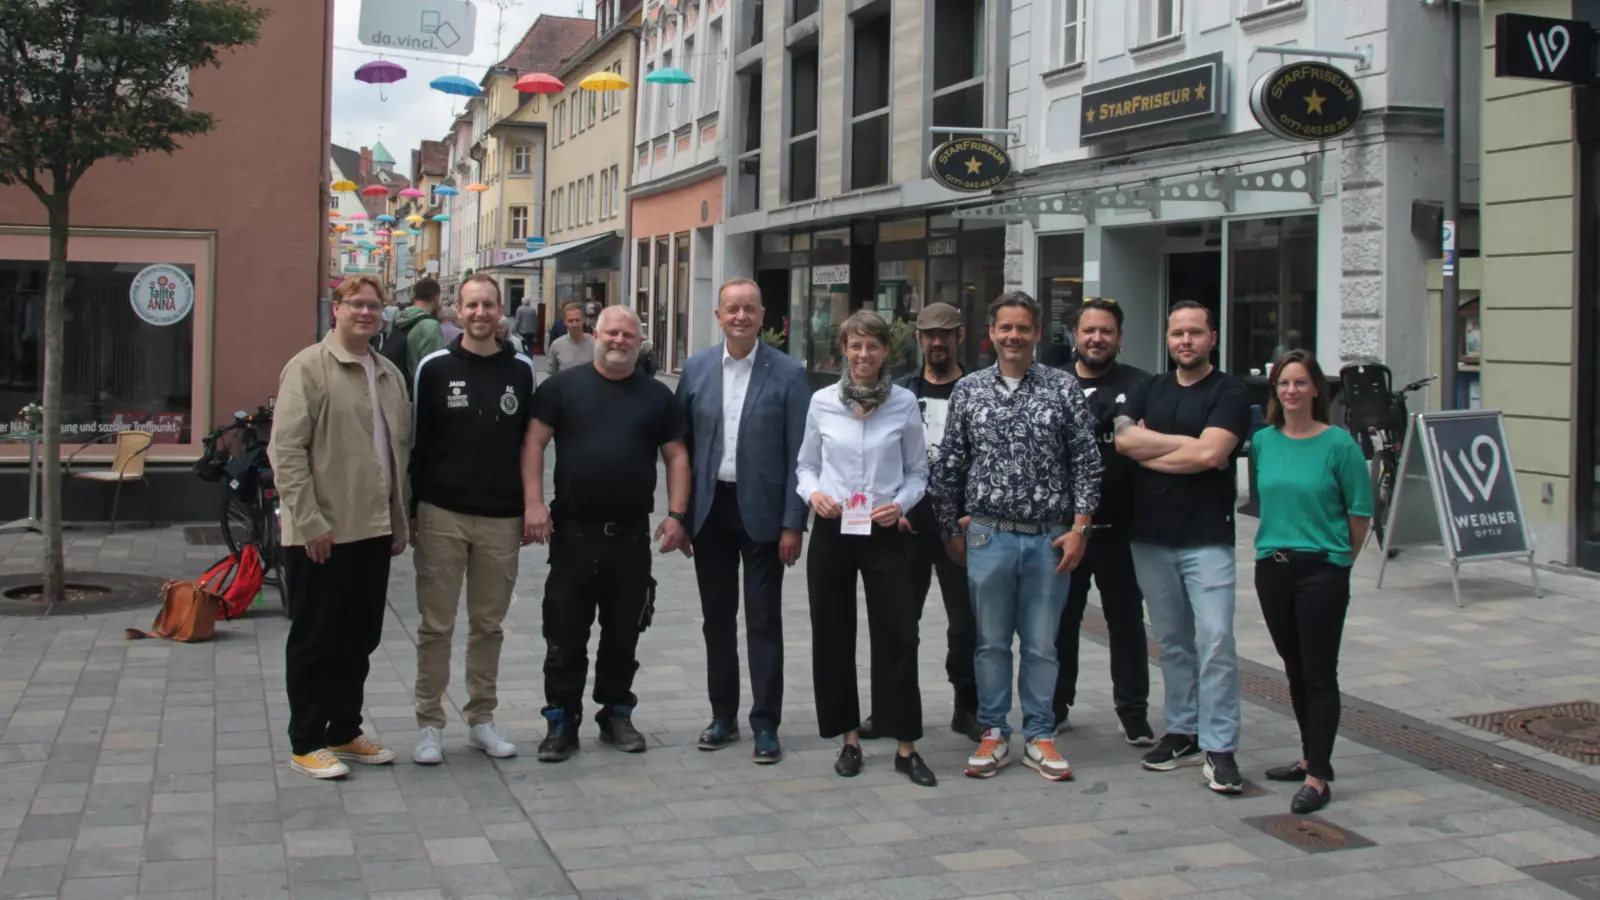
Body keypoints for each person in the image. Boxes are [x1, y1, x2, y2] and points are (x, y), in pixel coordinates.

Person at [932, 291, 1100, 782]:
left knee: (1043, 643)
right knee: (989, 643)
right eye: (1005, 327)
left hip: (1050, 540)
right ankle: (993, 733)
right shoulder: (970, 390)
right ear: (992, 332)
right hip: (989, 537)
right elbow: (950, 464)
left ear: (1036, 332)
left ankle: (1041, 734)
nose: (1013, 336)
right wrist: (949, 528)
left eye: (1023, 328)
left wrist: (1080, 529)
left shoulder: (1062, 388)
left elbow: (1087, 463)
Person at [525, 306, 691, 762]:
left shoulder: (657, 397)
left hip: (630, 538)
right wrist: (533, 503)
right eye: (611, 333)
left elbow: (676, 457)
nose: (619, 341)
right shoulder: (561, 388)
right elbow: (534, 443)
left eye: (628, 335)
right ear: (596, 334)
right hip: (573, 535)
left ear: (640, 343)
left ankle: (616, 712)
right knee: (564, 632)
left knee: (623, 633)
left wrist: (677, 514)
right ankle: (561, 719)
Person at [269, 276, 411, 780]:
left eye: (375, 306)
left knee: (359, 636)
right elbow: (285, 451)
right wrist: (308, 521)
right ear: (337, 310)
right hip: (323, 531)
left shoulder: (389, 372)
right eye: (357, 304)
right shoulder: (308, 368)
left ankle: (344, 731)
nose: (367, 313)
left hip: (371, 529)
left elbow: (398, 453)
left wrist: (399, 521)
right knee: (315, 638)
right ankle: (306, 740)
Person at [1113, 300, 1252, 794]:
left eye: (1195, 332)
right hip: (1150, 538)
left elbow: (1214, 453)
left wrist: (1158, 449)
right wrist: (1185, 450)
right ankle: (1182, 730)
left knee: (1215, 642)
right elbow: (1125, 441)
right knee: (1172, 641)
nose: (1186, 341)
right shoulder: (1149, 387)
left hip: (1206, 539)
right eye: (1178, 333)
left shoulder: (1230, 390)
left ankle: (1220, 746)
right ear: (1168, 339)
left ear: (1212, 337)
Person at [797, 310, 936, 787]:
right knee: (833, 633)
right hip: (835, 529)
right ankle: (849, 739)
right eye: (855, 346)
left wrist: (900, 505)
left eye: (872, 346)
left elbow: (919, 471)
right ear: (843, 350)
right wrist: (812, 494)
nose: (863, 355)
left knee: (898, 634)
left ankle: (905, 746)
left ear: (886, 353)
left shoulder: (903, 404)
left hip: (883, 532)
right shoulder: (822, 402)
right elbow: (806, 466)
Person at [677, 278, 810, 764]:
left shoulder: (789, 373)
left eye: (749, 309)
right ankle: (722, 716)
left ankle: (766, 723)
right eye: (732, 309)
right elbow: (682, 449)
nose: (740, 317)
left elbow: (801, 452)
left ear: (763, 316)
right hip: (711, 510)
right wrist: (681, 514)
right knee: (717, 621)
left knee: (763, 619)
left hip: (765, 514)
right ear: (718, 315)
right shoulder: (695, 370)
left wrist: (794, 522)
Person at [408, 275, 538, 765]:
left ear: (500, 310)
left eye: (488, 305)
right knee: (436, 625)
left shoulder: (522, 370)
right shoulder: (434, 368)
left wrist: (531, 505)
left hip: (501, 516)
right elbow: (417, 444)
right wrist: (413, 512)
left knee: (488, 625)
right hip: (442, 512)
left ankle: (481, 717)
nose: (480, 313)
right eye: (471, 305)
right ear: (455, 310)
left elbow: (531, 444)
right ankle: (429, 724)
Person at [1250, 349, 1373, 814]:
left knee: (1319, 673)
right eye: (1283, 383)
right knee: (1294, 668)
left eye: (1300, 382)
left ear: (1316, 388)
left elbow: (1359, 512)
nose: (1291, 391)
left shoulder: (1339, 444)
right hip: (1274, 566)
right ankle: (1308, 756)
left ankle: (1320, 775)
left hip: (1322, 568)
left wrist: (1341, 563)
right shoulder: (1264, 441)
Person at [859, 302, 978, 742]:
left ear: (959, 338)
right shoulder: (898, 392)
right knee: (895, 623)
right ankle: (889, 709)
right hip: (904, 527)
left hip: (961, 528)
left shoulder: (976, 390)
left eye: (946, 334)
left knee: (966, 624)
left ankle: (968, 706)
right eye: (930, 334)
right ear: (919, 339)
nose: (938, 342)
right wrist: (895, 506)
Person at [1053, 299, 1155, 746]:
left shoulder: (1142, 385)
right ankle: (1056, 707)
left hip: (1123, 529)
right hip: (1064, 531)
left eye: (1107, 331)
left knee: (1127, 623)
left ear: (1119, 337)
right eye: (1089, 330)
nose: (1097, 338)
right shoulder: (1052, 384)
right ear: (1074, 335)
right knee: (1060, 622)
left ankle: (1133, 712)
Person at [389, 278, 447, 385]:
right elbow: (434, 367)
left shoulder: (399, 318)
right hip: (417, 389)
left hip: (397, 384)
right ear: (436, 297)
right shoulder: (430, 325)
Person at [546, 302, 595, 376]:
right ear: (564, 322)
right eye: (570, 321)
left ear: (583, 320)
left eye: (577, 320)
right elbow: (551, 374)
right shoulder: (556, 345)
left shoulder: (595, 343)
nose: (574, 324)